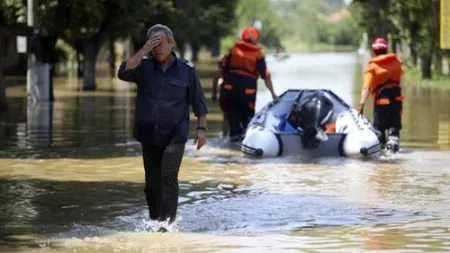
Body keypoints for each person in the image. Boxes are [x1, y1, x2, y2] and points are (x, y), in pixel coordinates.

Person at [117, 24, 208, 224]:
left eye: (161, 43)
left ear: (171, 42)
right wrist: (143, 50)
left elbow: (199, 101)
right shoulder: (143, 67)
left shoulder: (186, 70)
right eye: (153, 44)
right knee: (152, 184)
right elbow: (123, 73)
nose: (158, 48)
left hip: (175, 134)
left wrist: (201, 128)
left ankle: (167, 224)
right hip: (148, 133)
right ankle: (155, 220)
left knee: (168, 176)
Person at [215, 26, 279, 142]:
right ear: (256, 38)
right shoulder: (258, 54)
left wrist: (216, 91)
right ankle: (246, 145)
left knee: (231, 117)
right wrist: (273, 94)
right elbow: (265, 76)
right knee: (247, 119)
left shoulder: (233, 50)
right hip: (248, 90)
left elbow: (220, 70)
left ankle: (230, 146)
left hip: (230, 88)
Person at [358, 37, 404, 153]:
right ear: (386, 50)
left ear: (374, 51)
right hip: (397, 100)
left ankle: (380, 154)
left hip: (382, 102)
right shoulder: (396, 63)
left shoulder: (372, 68)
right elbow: (401, 73)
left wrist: (362, 105)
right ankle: (393, 151)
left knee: (379, 129)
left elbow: (366, 88)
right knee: (394, 129)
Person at [211, 55, 229, 137]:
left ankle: (225, 136)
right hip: (240, 93)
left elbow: (215, 79)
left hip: (225, 93)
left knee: (225, 117)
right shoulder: (238, 66)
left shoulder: (222, 66)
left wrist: (214, 94)